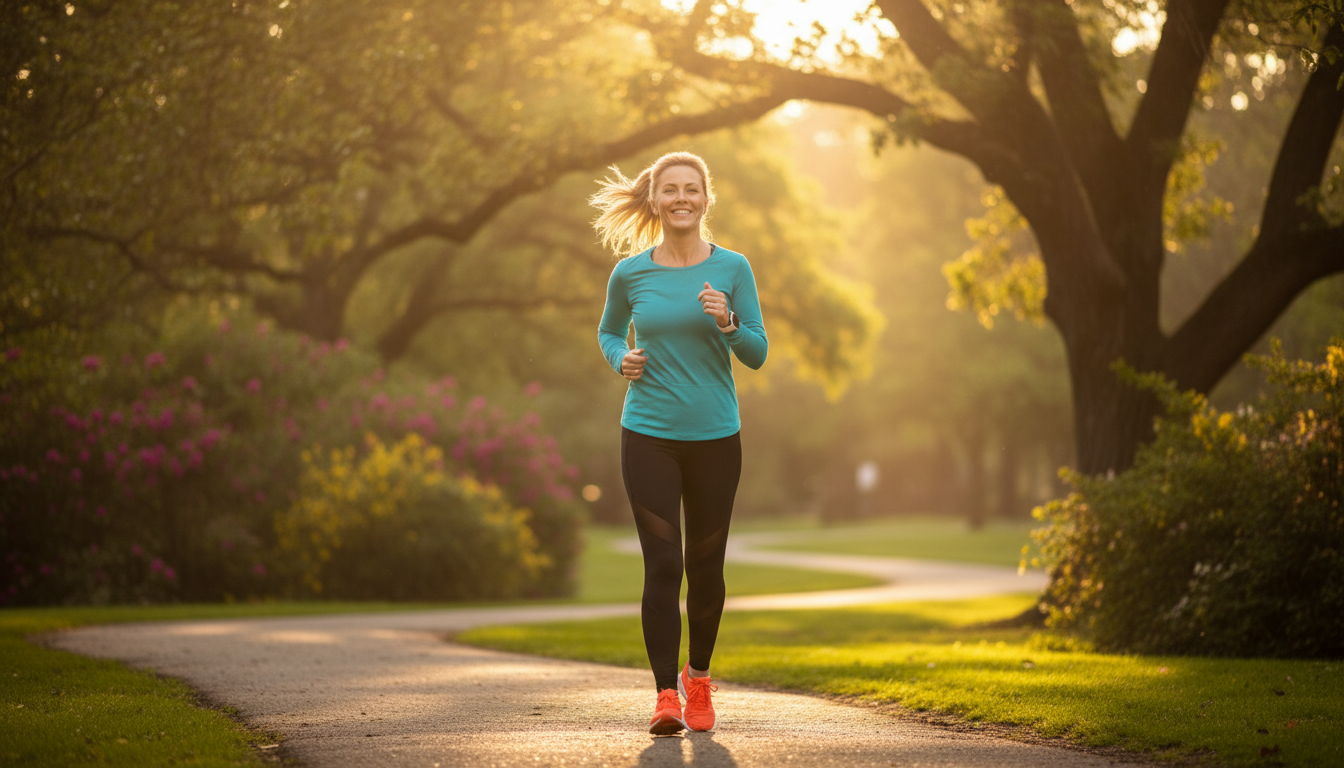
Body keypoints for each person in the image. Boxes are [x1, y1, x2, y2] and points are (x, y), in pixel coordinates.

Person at [591, 152, 768, 735]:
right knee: (664, 565)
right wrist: (623, 358)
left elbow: (758, 353)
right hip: (648, 435)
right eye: (671, 189)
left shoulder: (734, 269)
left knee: (706, 565)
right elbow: (610, 329)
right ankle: (666, 693)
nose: (682, 198)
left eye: (692, 189)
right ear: (655, 200)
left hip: (717, 436)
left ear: (706, 199)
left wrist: (728, 323)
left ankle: (700, 680)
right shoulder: (630, 273)